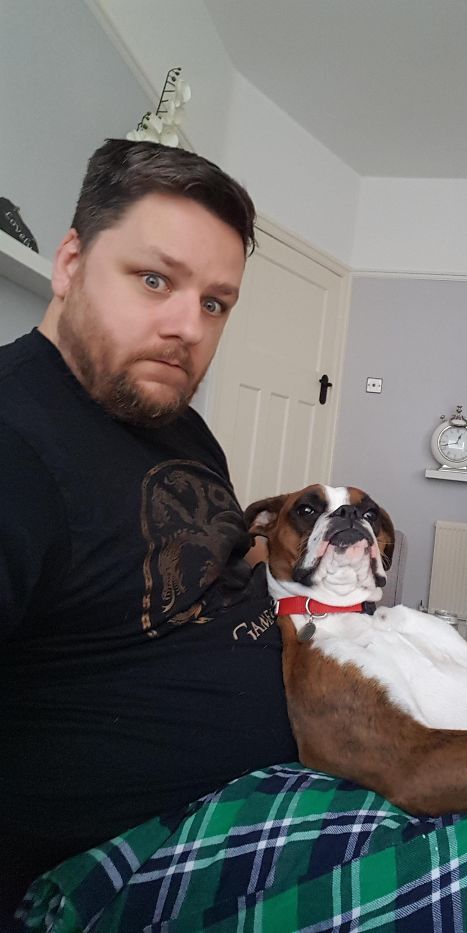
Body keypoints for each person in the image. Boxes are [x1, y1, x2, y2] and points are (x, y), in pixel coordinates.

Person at [0, 139, 298, 922]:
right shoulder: (15, 436)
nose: (187, 327)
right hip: (150, 855)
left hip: (311, 746)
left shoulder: (183, 428)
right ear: (70, 262)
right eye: (155, 279)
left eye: (214, 302)